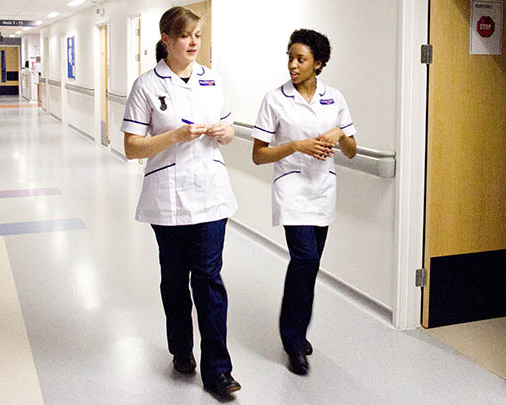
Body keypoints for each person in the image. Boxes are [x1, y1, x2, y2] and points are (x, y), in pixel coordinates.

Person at [121, 6, 241, 396]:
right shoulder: (145, 85)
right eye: (186, 36)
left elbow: (229, 131)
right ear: (167, 40)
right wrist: (175, 136)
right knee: (175, 279)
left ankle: (218, 370)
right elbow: (132, 147)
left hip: (210, 192)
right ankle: (181, 350)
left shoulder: (212, 81)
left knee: (207, 278)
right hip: (167, 198)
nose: (193, 43)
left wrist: (225, 132)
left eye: (198, 36)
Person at [251, 28, 357, 375]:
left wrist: (339, 133)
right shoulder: (275, 99)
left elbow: (352, 151)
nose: (292, 65)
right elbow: (258, 155)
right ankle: (293, 341)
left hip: (323, 190)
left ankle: (297, 330)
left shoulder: (334, 98)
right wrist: (297, 145)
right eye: (290, 57)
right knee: (305, 259)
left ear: (319, 63)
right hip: (292, 189)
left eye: (301, 59)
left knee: (309, 268)